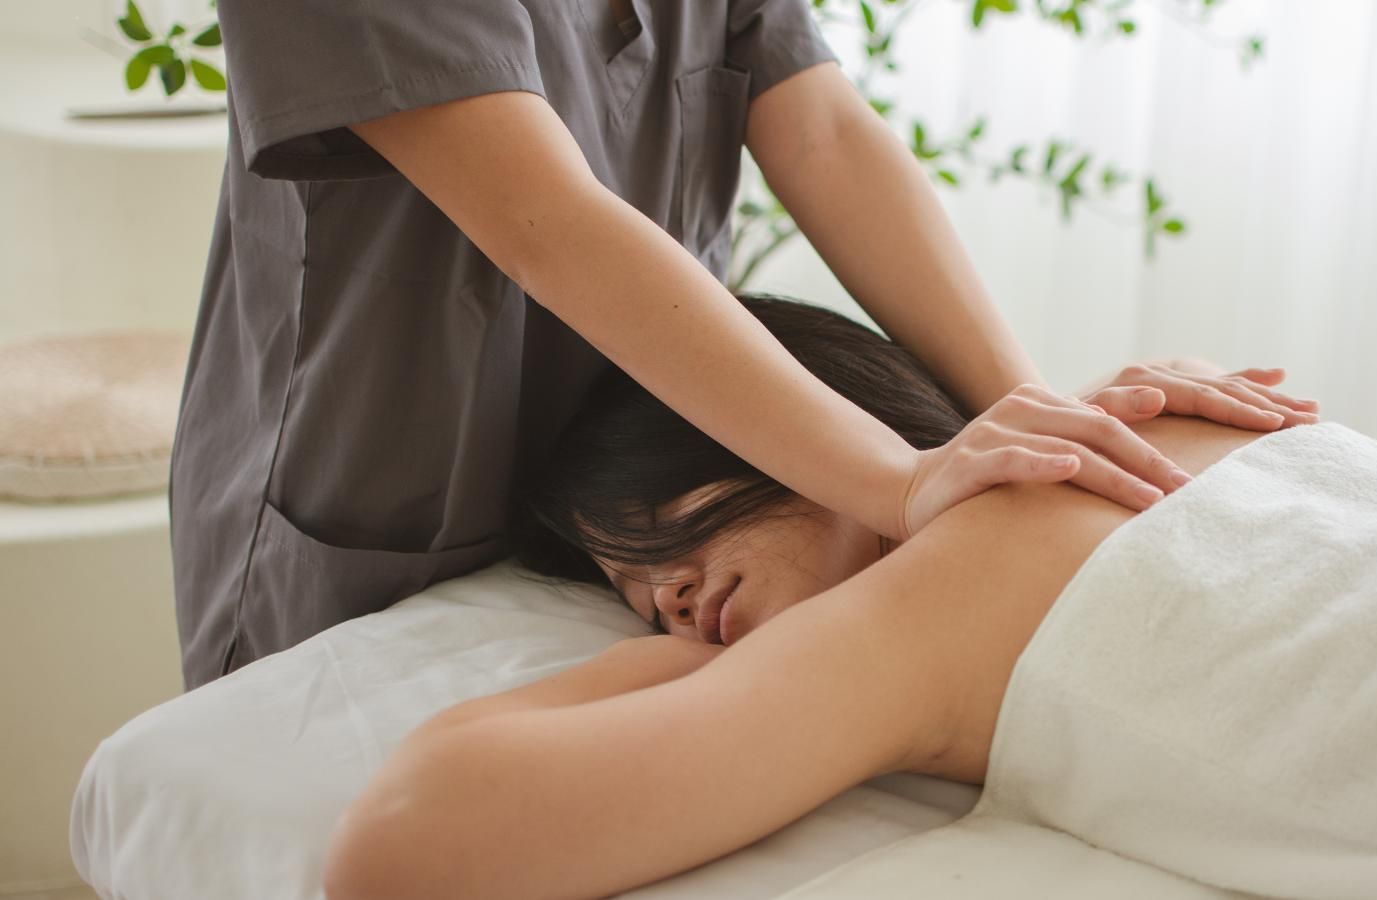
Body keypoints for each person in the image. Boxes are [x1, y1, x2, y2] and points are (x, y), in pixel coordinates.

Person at [171, 0, 1316, 689]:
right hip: (374, 492)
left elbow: (819, 130)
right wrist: (901, 478)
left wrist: (1023, 426)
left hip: (637, 487)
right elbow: (545, 221)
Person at [320, 294, 1377, 900]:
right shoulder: (1172, 412)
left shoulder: (919, 611)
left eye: (655, 530)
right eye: (624, 595)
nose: (662, 601)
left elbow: (406, 841)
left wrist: (695, 672)